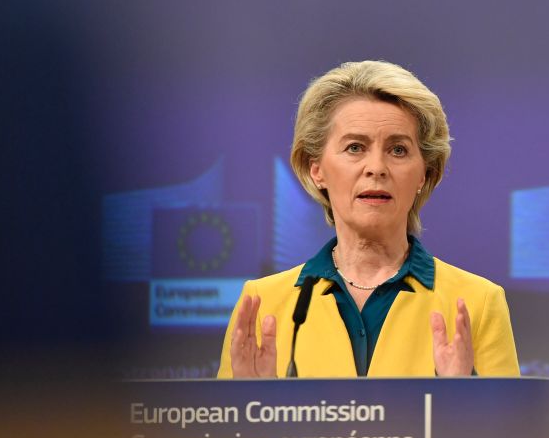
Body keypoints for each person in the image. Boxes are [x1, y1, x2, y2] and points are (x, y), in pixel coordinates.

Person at [217, 60, 519, 378]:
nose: (376, 167)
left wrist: (463, 403)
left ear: (424, 174)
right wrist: (251, 408)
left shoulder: (477, 304)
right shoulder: (262, 304)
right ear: (315, 169)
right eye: (355, 147)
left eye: (398, 150)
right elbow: (223, 428)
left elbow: (510, 428)